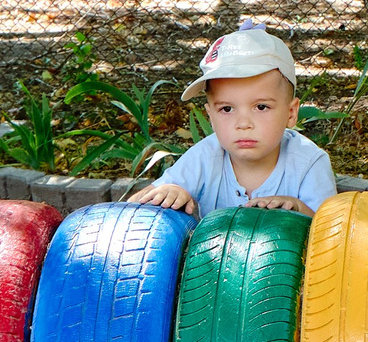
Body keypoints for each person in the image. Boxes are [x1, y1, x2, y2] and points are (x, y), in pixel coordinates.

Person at [130, 22, 336, 219]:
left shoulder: (309, 162)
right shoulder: (205, 156)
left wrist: (299, 210)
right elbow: (134, 206)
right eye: (227, 109)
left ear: (291, 113)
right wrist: (170, 191)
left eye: (261, 107)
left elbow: (333, 232)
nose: (243, 123)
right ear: (211, 116)